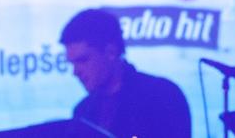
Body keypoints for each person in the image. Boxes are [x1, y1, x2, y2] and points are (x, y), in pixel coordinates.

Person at [60, 9, 191, 138]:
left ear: (111, 52)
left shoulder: (162, 95)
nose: (76, 72)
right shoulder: (83, 111)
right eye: (72, 63)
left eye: (83, 60)